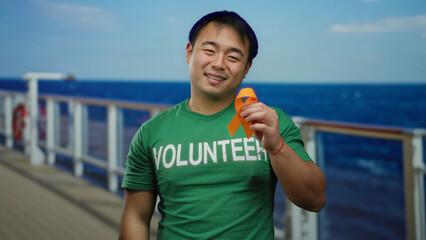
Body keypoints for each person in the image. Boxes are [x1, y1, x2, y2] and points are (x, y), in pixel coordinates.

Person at [119, 10, 326, 240]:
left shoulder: (270, 123)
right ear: (189, 52)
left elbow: (315, 199)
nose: (218, 63)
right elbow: (135, 218)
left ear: (246, 68)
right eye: (209, 50)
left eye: (233, 57)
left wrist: (276, 146)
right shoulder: (151, 132)